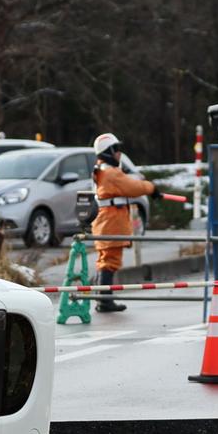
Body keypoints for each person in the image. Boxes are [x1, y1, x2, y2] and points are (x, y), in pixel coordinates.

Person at [90, 133, 154, 313]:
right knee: (109, 261)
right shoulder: (111, 173)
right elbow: (133, 187)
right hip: (111, 222)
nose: (119, 154)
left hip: (105, 222)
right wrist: (151, 188)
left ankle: (103, 297)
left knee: (105, 260)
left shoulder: (100, 170)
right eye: (116, 149)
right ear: (108, 151)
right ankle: (104, 300)